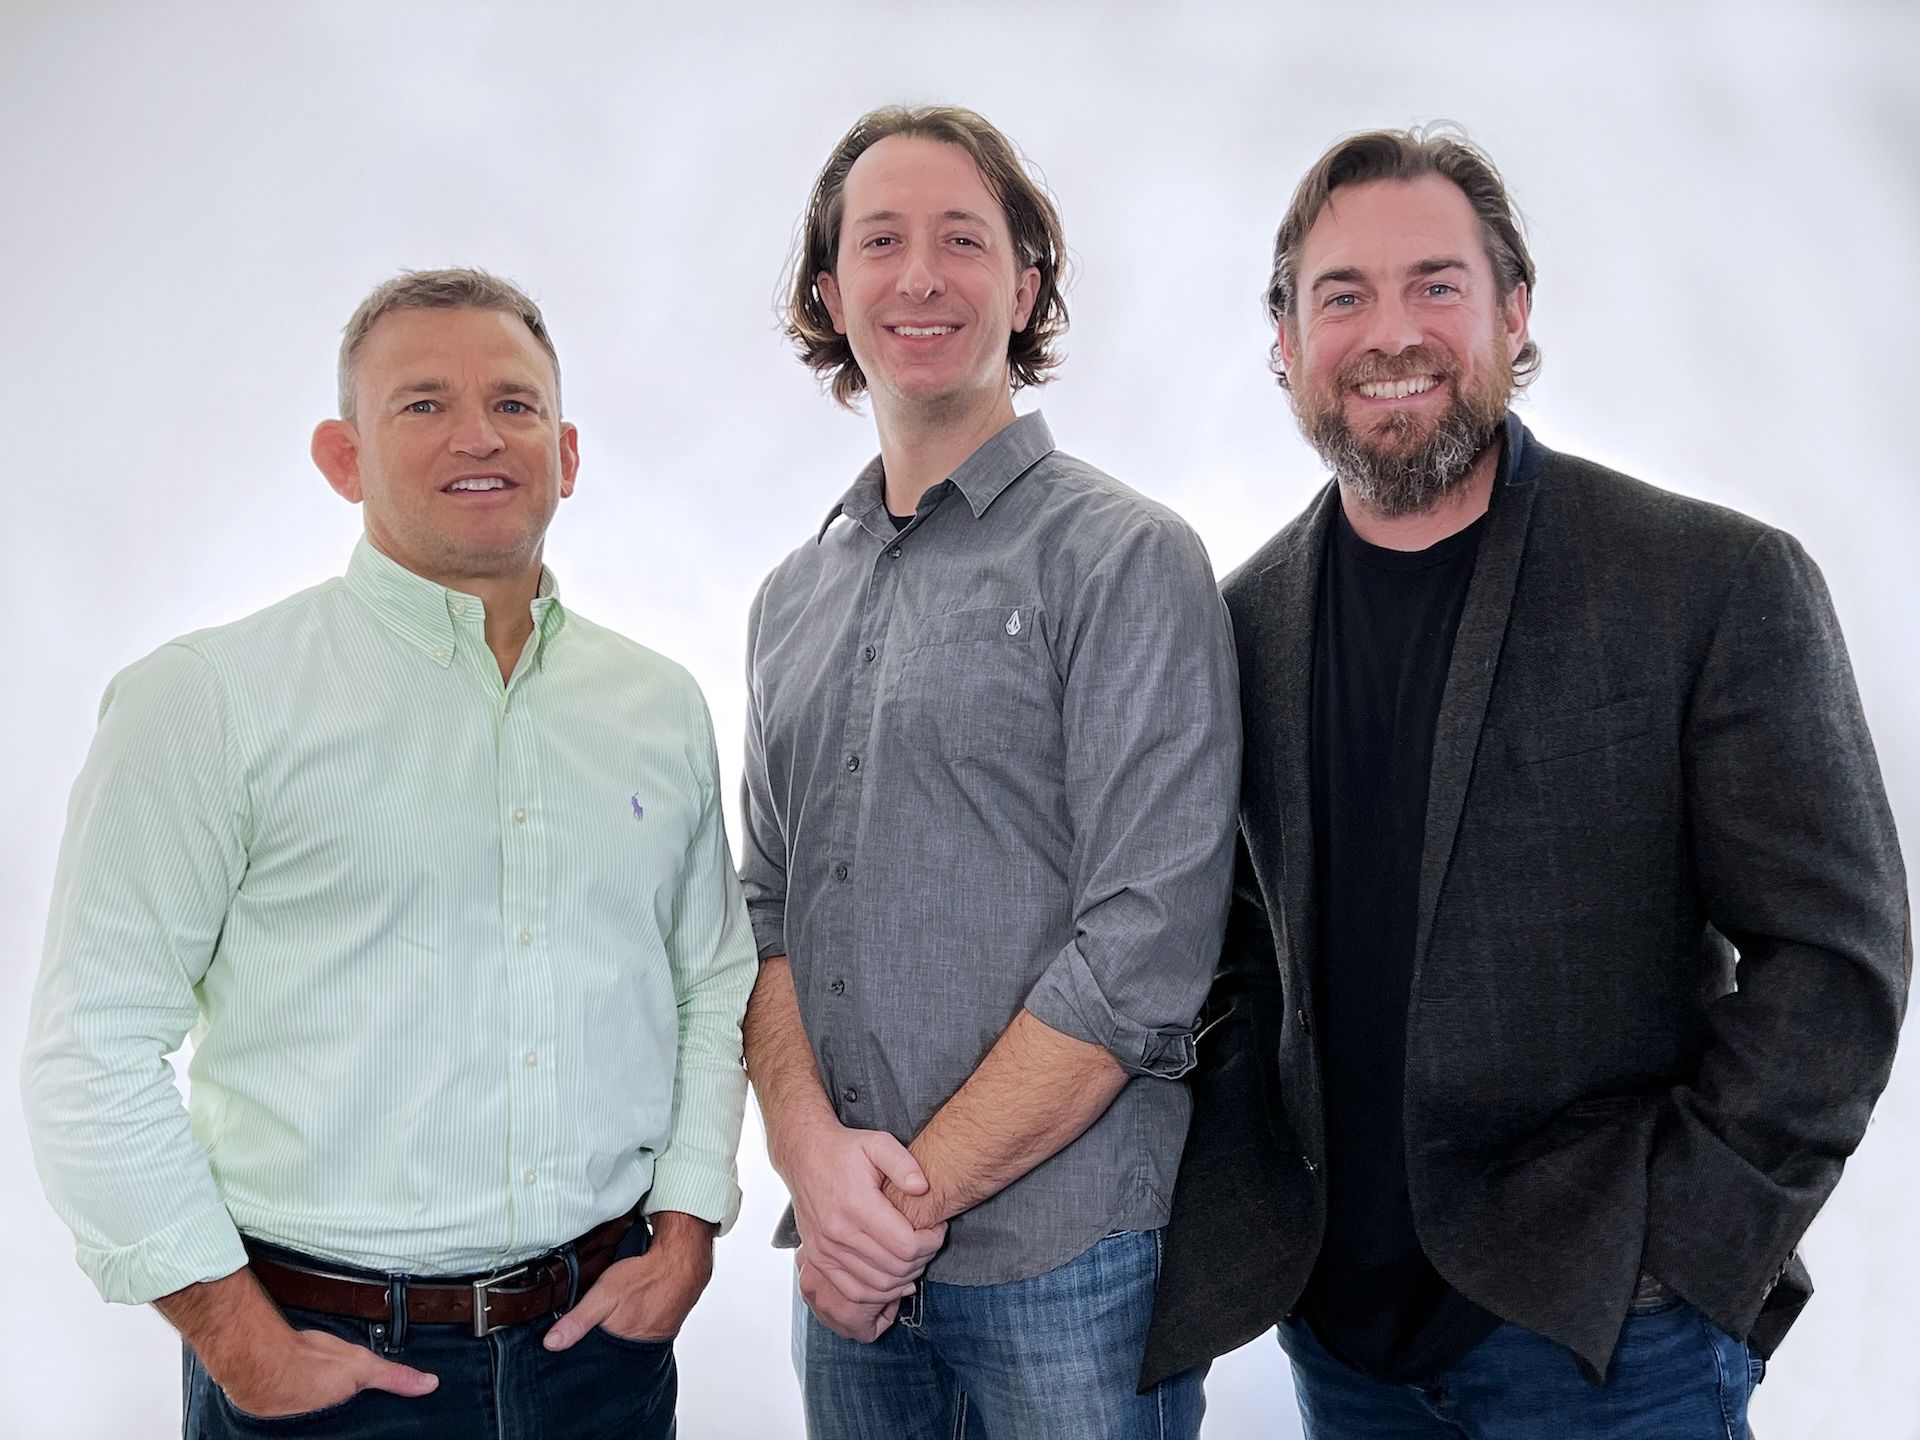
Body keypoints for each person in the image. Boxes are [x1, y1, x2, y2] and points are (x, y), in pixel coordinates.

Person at [1146, 126, 1910, 1438]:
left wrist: (1689, 1250)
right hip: (1343, 1352)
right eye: (1344, 295)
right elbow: (1236, 956)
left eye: (1435, 285)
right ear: (1287, 339)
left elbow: (1835, 957)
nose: (1392, 333)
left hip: (1609, 1345)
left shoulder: (1707, 582)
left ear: (1513, 311)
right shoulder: (1239, 623)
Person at [21, 267, 757, 1439]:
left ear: (566, 455)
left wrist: (686, 1228)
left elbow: (709, 981)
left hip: (602, 1361)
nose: (479, 435)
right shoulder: (206, 700)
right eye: (423, 404)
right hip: (323, 1370)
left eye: (514, 405)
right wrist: (241, 1346)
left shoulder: (658, 705)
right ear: (343, 457)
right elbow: (91, 1046)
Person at [739, 105, 1239, 1439]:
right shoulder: (790, 600)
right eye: (880, 242)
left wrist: (901, 1205)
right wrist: (812, 1166)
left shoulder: (1126, 559)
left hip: (1072, 1269)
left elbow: (1144, 944)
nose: (920, 275)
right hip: (850, 1271)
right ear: (829, 293)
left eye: (962, 239)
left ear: (1025, 289)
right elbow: (767, 913)